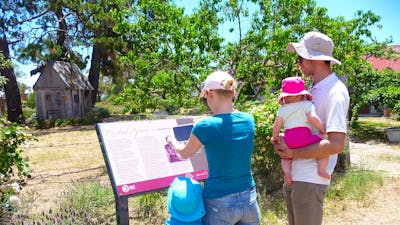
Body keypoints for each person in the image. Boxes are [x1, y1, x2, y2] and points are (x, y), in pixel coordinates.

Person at [273, 31, 350, 225]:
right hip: (298, 176)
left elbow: (336, 145)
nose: (299, 63)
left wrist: (292, 151)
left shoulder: (335, 92)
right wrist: (283, 143)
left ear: (312, 58)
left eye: (300, 58)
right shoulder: (313, 89)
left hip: (311, 179)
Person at [167, 71, 261, 225]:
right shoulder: (248, 120)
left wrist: (173, 143)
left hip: (219, 200)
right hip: (248, 196)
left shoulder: (205, 126)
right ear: (233, 93)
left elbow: (185, 152)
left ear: (210, 94)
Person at [272, 76, 329, 186]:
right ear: (302, 94)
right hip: (304, 138)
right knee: (325, 147)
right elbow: (313, 118)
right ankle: (321, 169)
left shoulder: (283, 109)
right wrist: (321, 129)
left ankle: (287, 173)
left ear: (285, 96)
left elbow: (277, 125)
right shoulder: (306, 104)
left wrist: (274, 137)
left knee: (285, 156)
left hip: (289, 140)